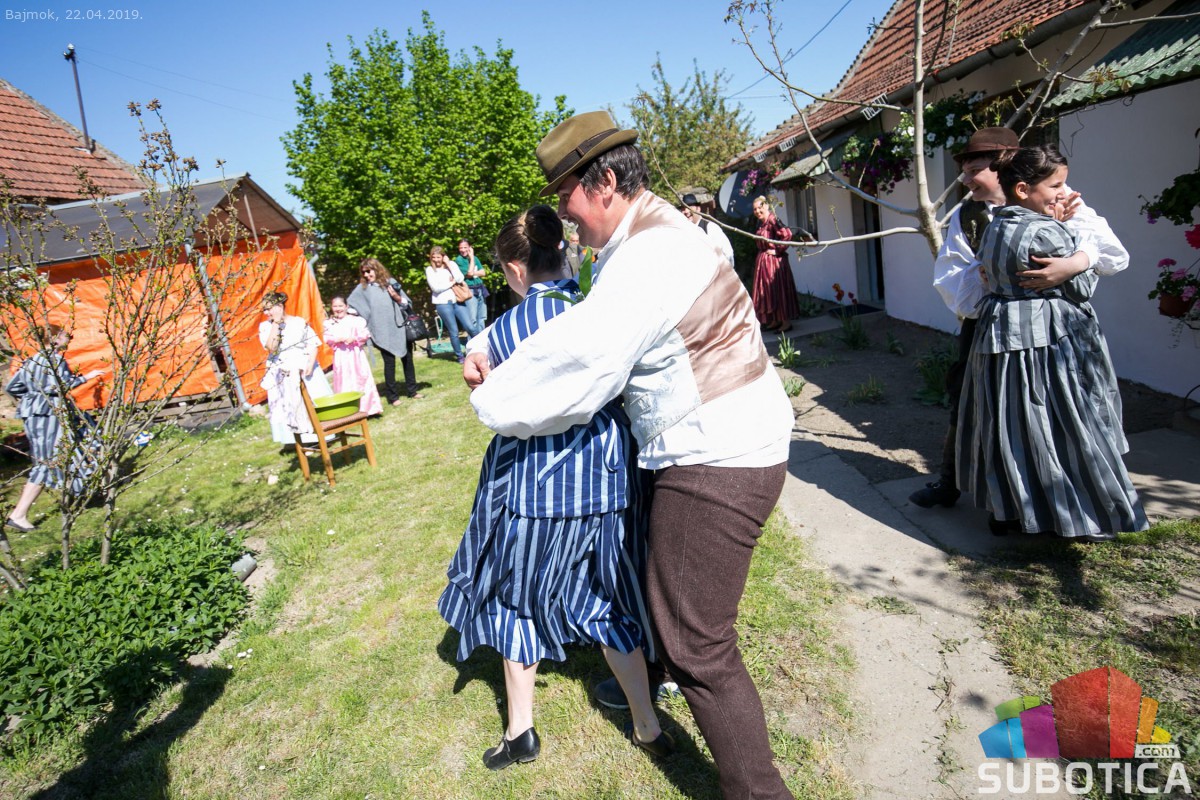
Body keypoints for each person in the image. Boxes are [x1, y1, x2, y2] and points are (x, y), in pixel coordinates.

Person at [465, 110, 797, 800]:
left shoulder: (650, 255)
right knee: (669, 599)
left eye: (567, 196)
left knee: (698, 643)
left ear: (606, 184)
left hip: (720, 454)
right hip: (717, 442)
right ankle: (653, 691)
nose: (564, 214)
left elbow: (583, 362)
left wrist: (492, 395)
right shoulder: (649, 235)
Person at [438, 205, 668, 771]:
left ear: (516, 269)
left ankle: (520, 733)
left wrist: (476, 353)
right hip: (606, 478)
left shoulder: (505, 331)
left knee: (516, 600)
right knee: (607, 598)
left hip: (536, 489)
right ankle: (646, 722)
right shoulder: (596, 308)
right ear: (562, 254)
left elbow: (490, 387)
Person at [910, 127, 1131, 510]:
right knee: (970, 401)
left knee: (1061, 406)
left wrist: (1072, 256)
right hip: (992, 324)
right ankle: (954, 482)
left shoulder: (1061, 199)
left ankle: (1067, 493)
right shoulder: (968, 216)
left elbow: (1114, 257)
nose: (965, 180)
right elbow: (955, 288)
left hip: (1057, 328)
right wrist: (990, 272)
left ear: (1003, 168)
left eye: (974, 170)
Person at [957, 145, 1148, 539]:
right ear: (1023, 189)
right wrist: (1080, 249)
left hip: (1001, 337)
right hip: (1047, 339)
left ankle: (1015, 510)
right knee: (1066, 423)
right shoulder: (1047, 230)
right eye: (1057, 185)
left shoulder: (994, 225)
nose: (1066, 192)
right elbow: (1082, 287)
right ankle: (1081, 515)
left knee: (1013, 426)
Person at [4, 324, 106, 531]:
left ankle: (81, 490)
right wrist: (88, 376)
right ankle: (18, 514)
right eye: (65, 336)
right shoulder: (55, 359)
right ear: (55, 338)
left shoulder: (31, 360)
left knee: (57, 454)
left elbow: (12, 387)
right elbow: (62, 385)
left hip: (33, 415)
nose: (69, 339)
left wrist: (33, 397)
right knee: (48, 461)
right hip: (49, 414)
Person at [258, 291, 332, 445]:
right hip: (282, 369)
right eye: (264, 309)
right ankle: (297, 439)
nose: (266, 313)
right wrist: (276, 323)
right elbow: (272, 347)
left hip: (304, 366)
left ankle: (321, 434)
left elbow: (313, 343)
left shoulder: (298, 322)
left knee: (312, 400)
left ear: (279, 306)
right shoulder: (265, 327)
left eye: (269, 308)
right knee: (290, 404)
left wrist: (310, 364)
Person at [349, 258, 421, 404]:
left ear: (377, 269)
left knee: (408, 360)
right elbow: (352, 306)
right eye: (363, 272)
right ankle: (393, 397)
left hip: (400, 327)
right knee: (389, 363)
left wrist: (396, 297)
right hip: (381, 331)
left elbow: (406, 303)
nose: (366, 275)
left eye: (369, 271)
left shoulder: (390, 283)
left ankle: (412, 390)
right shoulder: (363, 289)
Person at [323, 296, 383, 415]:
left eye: (340, 306)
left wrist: (354, 338)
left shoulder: (356, 320)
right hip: (341, 356)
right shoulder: (329, 323)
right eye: (335, 306)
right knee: (344, 380)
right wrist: (337, 339)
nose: (338, 309)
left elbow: (365, 334)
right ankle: (348, 410)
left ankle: (367, 408)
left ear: (346, 306)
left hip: (355, 354)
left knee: (361, 378)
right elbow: (327, 338)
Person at [751, 195, 799, 333]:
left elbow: (787, 234)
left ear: (766, 206)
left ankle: (785, 322)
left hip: (774, 264)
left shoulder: (773, 219)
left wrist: (777, 250)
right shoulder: (762, 223)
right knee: (767, 292)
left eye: (760, 208)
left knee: (778, 290)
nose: (757, 211)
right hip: (764, 263)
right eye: (755, 209)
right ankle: (775, 320)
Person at [426, 246, 478, 363]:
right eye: (434, 257)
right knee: (453, 331)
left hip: (458, 301)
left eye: (438, 257)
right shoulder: (430, 270)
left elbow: (460, 278)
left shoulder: (452, 265)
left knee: (470, 327)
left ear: (443, 256)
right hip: (443, 304)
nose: (436, 260)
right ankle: (460, 356)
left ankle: (480, 348)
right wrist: (451, 283)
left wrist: (449, 264)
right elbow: (435, 288)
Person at [681, 187, 734, 266]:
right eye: (683, 208)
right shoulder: (683, 232)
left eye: (689, 207)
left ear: (698, 209)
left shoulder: (710, 228)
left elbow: (727, 253)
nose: (686, 211)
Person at [455, 239, 489, 334]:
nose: (463, 250)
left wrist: (474, 270)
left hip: (480, 289)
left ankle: (482, 338)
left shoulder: (475, 258)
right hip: (470, 290)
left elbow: (483, 273)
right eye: (461, 248)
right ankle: (473, 340)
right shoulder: (459, 260)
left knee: (482, 317)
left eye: (465, 247)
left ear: (469, 248)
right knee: (472, 319)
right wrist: (472, 259)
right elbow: (469, 273)